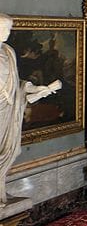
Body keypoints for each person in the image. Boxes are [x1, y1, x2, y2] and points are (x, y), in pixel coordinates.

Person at [0, 14, 61, 204]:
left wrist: (33, 88)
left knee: (13, 149)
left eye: (9, 29)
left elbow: (15, 82)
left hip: (9, 110)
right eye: (5, 28)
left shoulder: (8, 51)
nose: (8, 33)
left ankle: (0, 187)